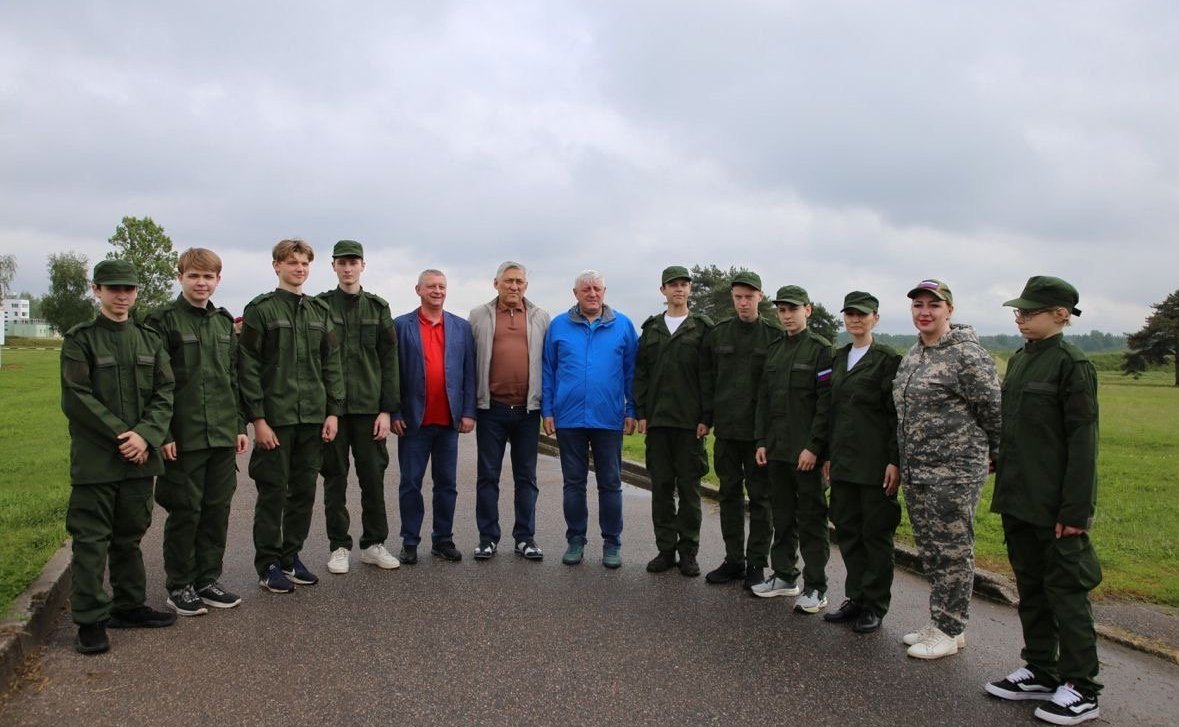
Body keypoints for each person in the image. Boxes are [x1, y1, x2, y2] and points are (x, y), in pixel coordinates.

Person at [985, 277, 1102, 726]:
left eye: (1029, 311)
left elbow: (1083, 443)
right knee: (1030, 588)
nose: (1020, 317)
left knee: (1066, 593)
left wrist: (1075, 512)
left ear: (1060, 314)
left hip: (1056, 507)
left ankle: (1083, 688)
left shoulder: (1073, 365)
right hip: (1019, 498)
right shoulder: (1020, 360)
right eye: (1018, 311)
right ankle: (1041, 668)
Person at [61, 259, 176, 654]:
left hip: (139, 458)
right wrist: (122, 435)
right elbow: (77, 397)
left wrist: (144, 436)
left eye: (128, 289)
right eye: (113, 289)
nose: (121, 295)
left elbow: (165, 392)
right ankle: (91, 620)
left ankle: (129, 605)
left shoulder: (149, 339)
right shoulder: (81, 339)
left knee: (130, 536)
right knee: (92, 539)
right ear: (97, 290)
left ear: (137, 292)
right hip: (97, 460)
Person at [893, 278, 1001, 659]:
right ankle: (942, 621)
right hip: (918, 471)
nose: (924, 312)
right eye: (918, 305)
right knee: (931, 549)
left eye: (933, 306)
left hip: (954, 472)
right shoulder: (914, 354)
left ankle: (952, 627)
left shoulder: (967, 355)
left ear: (949, 311)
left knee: (953, 550)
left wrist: (995, 457)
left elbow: (994, 412)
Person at [147, 248, 249, 616]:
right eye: (194, 276)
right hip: (184, 436)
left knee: (216, 510)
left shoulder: (223, 322)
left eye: (208, 276)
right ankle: (180, 585)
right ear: (181, 278)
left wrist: (238, 425)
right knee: (185, 510)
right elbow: (155, 382)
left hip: (221, 433)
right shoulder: (162, 322)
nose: (201, 283)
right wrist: (164, 434)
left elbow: (232, 378)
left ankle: (207, 579)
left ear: (218, 280)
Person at [239, 239, 344, 593]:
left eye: (303, 263)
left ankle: (290, 556)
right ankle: (267, 562)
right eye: (291, 262)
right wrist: (258, 419)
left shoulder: (319, 312)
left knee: (303, 491)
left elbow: (332, 364)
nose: (299, 268)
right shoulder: (261, 310)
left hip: (313, 418)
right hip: (277, 418)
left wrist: (333, 412)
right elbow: (248, 367)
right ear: (276, 266)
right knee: (272, 491)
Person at [542, 269, 637, 569]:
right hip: (569, 418)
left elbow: (632, 372)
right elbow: (548, 370)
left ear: (604, 291)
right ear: (576, 294)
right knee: (574, 484)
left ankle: (612, 542)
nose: (592, 293)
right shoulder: (558, 326)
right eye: (586, 289)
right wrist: (548, 410)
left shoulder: (622, 325)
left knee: (610, 483)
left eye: (597, 288)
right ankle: (575, 540)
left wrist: (632, 409)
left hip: (609, 418)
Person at [318, 240, 401, 575]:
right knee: (334, 478)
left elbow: (389, 359)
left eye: (354, 262)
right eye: (342, 263)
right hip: (333, 411)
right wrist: (328, 411)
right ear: (334, 266)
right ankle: (339, 546)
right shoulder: (320, 306)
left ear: (363, 266)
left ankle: (373, 544)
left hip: (369, 409)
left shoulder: (378, 308)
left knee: (372, 478)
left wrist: (386, 410)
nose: (348, 268)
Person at [821, 291, 902, 634]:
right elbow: (828, 409)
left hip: (874, 464)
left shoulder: (887, 360)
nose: (855, 320)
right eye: (850, 314)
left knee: (876, 536)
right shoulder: (837, 358)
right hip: (842, 462)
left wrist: (894, 461)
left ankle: (875, 604)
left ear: (875, 319)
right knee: (849, 533)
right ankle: (855, 598)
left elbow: (897, 416)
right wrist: (824, 452)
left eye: (862, 315)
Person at [753, 285, 833, 614]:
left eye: (793, 310)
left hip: (805, 454)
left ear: (807, 311)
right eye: (782, 310)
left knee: (811, 519)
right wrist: (761, 441)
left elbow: (826, 405)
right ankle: (785, 576)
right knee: (782, 515)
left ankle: (817, 586)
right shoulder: (774, 350)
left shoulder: (821, 350)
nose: (787, 316)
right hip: (777, 450)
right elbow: (764, 401)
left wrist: (814, 447)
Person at [392, 269, 477, 564]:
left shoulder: (461, 328)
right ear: (418, 290)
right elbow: (393, 374)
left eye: (441, 286)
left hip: (449, 422)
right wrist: (395, 412)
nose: (437, 291)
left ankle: (443, 539)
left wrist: (468, 412)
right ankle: (410, 541)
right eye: (431, 286)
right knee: (410, 483)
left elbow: (469, 373)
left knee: (447, 484)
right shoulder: (401, 326)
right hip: (414, 421)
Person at [634, 265, 713, 577]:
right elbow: (641, 374)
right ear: (663, 290)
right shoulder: (651, 329)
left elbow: (709, 375)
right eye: (672, 285)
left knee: (690, 490)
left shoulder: (702, 328)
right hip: (658, 422)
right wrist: (640, 412)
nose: (678, 289)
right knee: (662, 488)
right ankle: (665, 550)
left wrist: (707, 417)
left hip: (690, 423)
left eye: (684, 284)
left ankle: (688, 552)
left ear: (690, 290)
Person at [468, 261, 551, 561]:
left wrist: (547, 408)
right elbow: (469, 361)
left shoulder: (541, 317)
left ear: (526, 285)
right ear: (496, 284)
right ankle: (487, 538)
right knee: (488, 476)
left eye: (519, 282)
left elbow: (548, 365)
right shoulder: (479, 315)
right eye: (508, 281)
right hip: (492, 409)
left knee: (526, 477)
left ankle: (525, 538)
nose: (514, 287)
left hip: (528, 412)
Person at [701, 271, 778, 589]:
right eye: (738, 297)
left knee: (761, 500)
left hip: (760, 437)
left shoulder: (774, 336)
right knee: (729, 496)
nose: (743, 303)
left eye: (749, 296)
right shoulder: (718, 334)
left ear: (760, 296)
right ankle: (734, 560)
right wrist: (706, 418)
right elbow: (707, 380)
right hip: (728, 432)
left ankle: (756, 563)